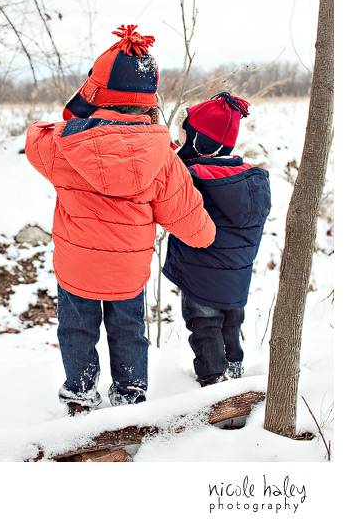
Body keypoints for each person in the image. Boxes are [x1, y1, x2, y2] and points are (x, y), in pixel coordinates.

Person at [25, 24, 216, 415]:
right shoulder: (161, 154)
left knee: (76, 329)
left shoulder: (62, 144)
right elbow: (186, 215)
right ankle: (130, 393)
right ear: (150, 100)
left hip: (76, 266)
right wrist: (207, 235)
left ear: (96, 92)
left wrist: (80, 110)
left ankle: (80, 393)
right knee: (129, 330)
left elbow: (35, 138)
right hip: (127, 271)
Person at [163, 93, 271, 386]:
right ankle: (234, 367)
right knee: (231, 321)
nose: (180, 140)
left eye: (184, 135)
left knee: (205, 324)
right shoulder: (246, 177)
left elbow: (174, 172)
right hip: (235, 275)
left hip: (201, 275)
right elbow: (190, 160)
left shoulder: (192, 178)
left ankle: (213, 379)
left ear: (199, 144)